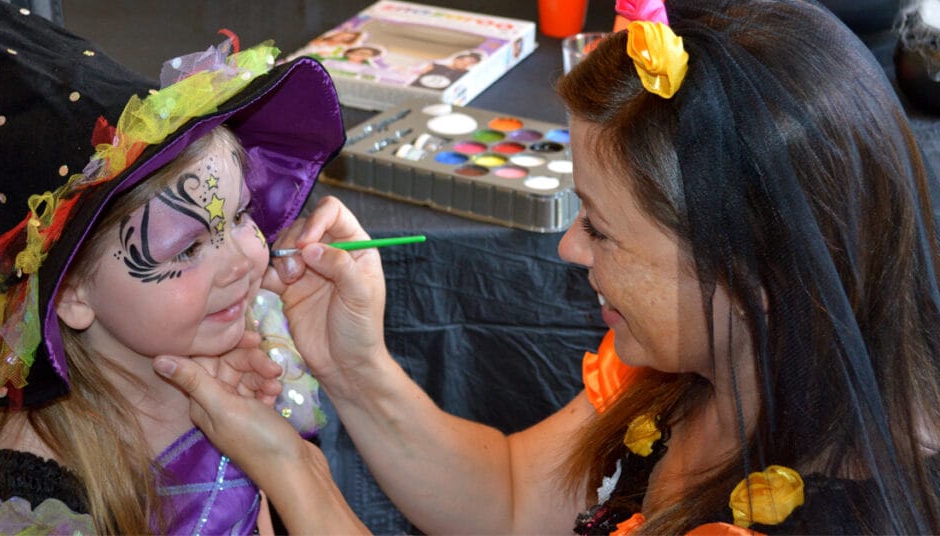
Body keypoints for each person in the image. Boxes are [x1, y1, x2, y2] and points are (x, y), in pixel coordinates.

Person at [158, 0, 940, 533]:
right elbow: (508, 500)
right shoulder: (697, 371)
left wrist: (298, 477)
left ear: (751, 275)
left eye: (600, 229)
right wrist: (353, 369)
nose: (568, 250)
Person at [0, 0, 344, 533]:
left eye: (239, 215)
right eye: (186, 249)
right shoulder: (37, 506)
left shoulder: (254, 338)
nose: (245, 260)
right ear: (70, 290)